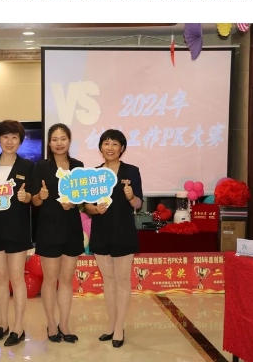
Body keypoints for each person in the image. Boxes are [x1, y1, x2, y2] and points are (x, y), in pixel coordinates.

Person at [84, 129, 143, 348]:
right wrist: (94, 209)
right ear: (100, 147)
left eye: (115, 144)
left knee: (122, 280)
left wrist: (131, 197)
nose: (110, 148)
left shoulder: (132, 171)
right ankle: (111, 325)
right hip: (101, 231)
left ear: (122, 148)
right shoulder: (94, 173)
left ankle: (119, 327)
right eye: (106, 143)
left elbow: (138, 204)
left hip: (123, 231)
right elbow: (87, 205)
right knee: (108, 280)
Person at [0, 120, 35, 347]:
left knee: (17, 279)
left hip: (17, 229)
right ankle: (3, 324)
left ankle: (18, 328)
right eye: (5, 137)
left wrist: (26, 197)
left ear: (20, 141)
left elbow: (33, 197)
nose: (10, 142)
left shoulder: (27, 166)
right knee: (1, 279)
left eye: (14, 137)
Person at [31, 123, 84, 344]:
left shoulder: (78, 166)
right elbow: (34, 201)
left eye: (63, 139)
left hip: (71, 228)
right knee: (50, 279)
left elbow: (82, 198)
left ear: (69, 141)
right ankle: (51, 323)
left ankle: (64, 324)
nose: (59, 143)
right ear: (49, 143)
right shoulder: (41, 167)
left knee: (66, 279)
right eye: (54, 139)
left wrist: (74, 203)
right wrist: (41, 196)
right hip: (48, 228)